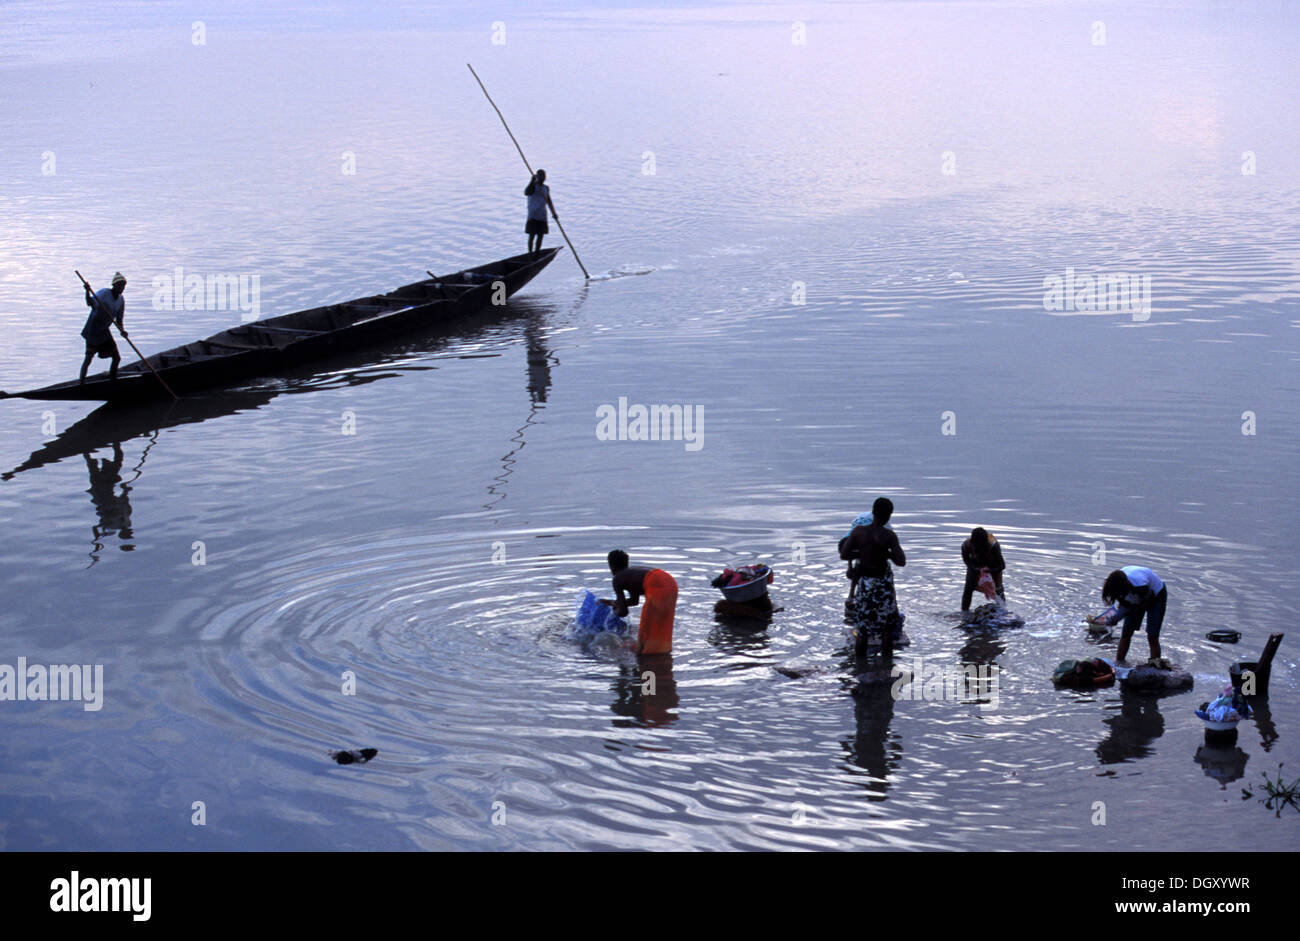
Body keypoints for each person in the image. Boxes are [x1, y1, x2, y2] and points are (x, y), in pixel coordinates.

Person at [840, 497, 906, 656]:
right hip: (883, 586)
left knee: (862, 629)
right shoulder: (889, 536)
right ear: (888, 515)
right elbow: (901, 561)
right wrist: (886, 554)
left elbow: (844, 554)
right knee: (887, 629)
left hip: (865, 585)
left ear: (873, 512)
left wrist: (863, 553)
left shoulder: (858, 532)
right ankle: (886, 666)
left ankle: (860, 667)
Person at [600, 550, 677, 655]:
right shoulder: (631, 574)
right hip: (670, 582)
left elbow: (623, 612)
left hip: (656, 584)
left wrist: (611, 615)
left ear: (611, 566)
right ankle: (660, 653)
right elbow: (634, 601)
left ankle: (647, 656)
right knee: (661, 622)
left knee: (646, 631)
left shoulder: (617, 579)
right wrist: (611, 603)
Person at [1099, 566, 1168, 663]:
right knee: (1126, 633)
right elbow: (1124, 604)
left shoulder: (1140, 585)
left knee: (1152, 635)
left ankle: (1155, 664)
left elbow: (1150, 601)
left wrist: (1133, 610)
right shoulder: (1115, 584)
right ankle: (1119, 663)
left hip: (1156, 596)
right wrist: (1117, 618)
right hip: (1136, 595)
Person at [80, 272, 127, 384]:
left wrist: (122, 331)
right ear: (114, 285)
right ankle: (81, 383)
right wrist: (87, 291)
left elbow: (119, 320)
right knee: (88, 358)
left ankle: (113, 380)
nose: (122, 288)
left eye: (123, 286)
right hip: (93, 329)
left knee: (116, 358)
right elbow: (89, 303)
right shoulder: (104, 293)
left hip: (105, 331)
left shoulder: (121, 300)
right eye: (120, 285)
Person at [960, 527, 1006, 610]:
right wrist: (976, 569)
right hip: (975, 566)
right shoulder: (966, 545)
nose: (980, 550)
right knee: (968, 588)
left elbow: (1002, 566)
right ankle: (964, 612)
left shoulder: (993, 545)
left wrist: (989, 571)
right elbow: (967, 561)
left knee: (998, 589)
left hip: (992, 565)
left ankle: (1003, 610)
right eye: (977, 547)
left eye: (983, 547)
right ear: (972, 542)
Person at [524, 169, 556, 257]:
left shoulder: (546, 188)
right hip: (533, 216)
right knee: (532, 236)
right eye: (540, 176)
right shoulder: (533, 186)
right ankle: (530, 255)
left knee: (540, 236)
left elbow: (549, 201)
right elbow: (526, 193)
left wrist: (554, 213)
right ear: (537, 177)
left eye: (544, 176)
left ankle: (537, 254)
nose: (542, 178)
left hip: (542, 216)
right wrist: (531, 181)